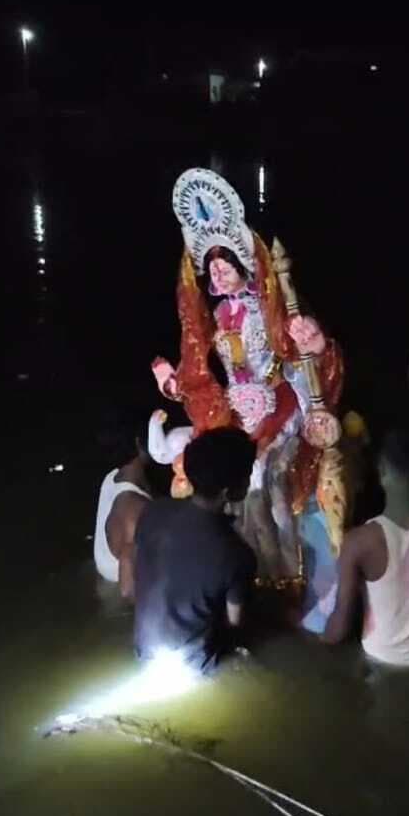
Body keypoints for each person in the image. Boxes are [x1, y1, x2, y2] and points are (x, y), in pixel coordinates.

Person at [151, 167, 344, 583]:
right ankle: (243, 568)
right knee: (223, 475)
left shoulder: (273, 308)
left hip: (278, 403)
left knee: (267, 481)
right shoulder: (220, 314)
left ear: (244, 264)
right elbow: (199, 370)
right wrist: (174, 383)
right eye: (211, 267)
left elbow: (303, 360)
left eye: (225, 264)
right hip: (237, 409)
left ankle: (285, 571)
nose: (217, 273)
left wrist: (315, 346)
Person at [322, 429, 409, 667]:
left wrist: (309, 633)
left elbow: (339, 629)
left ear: (381, 471)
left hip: (383, 660)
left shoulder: (359, 542)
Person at [133, 427, 257, 673]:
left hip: (143, 651)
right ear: (229, 491)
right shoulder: (236, 553)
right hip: (195, 665)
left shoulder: (153, 511)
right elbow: (235, 624)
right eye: (248, 474)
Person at [93, 438, 153, 598]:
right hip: (118, 593)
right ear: (139, 444)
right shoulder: (134, 510)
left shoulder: (112, 477)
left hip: (105, 581)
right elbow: (127, 590)